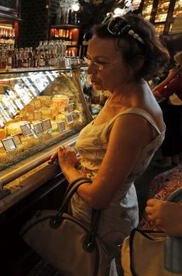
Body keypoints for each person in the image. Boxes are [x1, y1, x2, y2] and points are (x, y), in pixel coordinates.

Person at [51, 13, 169, 274]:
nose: (90, 71)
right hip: (113, 208)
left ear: (136, 63)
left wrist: (68, 166)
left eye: (101, 63)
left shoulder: (133, 117)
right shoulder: (126, 90)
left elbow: (98, 196)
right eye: (89, 60)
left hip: (103, 221)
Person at [152, 51, 182, 167]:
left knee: (169, 132)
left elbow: (153, 94)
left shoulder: (177, 81)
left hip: (174, 112)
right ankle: (176, 159)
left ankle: (168, 160)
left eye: (177, 64)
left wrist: (169, 78)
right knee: (177, 133)